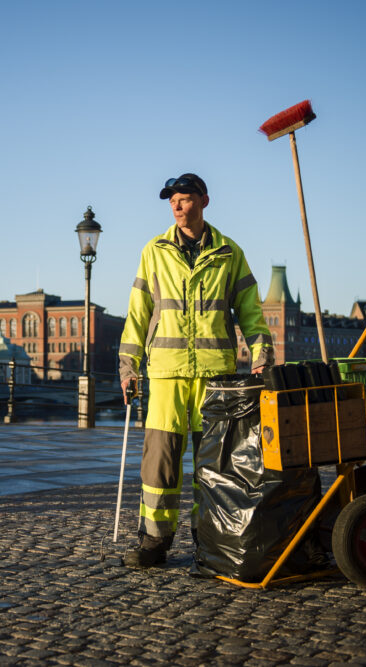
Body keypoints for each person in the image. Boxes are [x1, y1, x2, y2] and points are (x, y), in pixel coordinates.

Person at [118, 173, 274, 567]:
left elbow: (252, 314)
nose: (177, 205)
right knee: (160, 463)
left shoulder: (229, 253)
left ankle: (212, 542)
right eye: (172, 200)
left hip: (214, 376)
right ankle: (154, 543)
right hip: (167, 374)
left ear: (204, 201)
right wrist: (128, 366)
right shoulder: (154, 251)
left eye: (184, 199)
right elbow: (138, 313)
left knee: (213, 466)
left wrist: (261, 357)